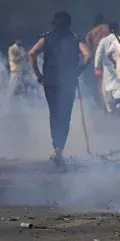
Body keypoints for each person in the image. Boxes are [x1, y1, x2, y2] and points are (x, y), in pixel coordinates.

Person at [28, 11, 91, 166]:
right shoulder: (75, 38)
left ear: (54, 24)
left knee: (54, 114)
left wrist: (38, 75)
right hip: (68, 81)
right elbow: (88, 55)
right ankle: (59, 151)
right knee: (64, 116)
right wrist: (80, 69)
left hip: (49, 80)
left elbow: (31, 53)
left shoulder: (46, 37)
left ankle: (57, 149)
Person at [94, 22, 120, 114]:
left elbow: (98, 54)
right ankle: (119, 107)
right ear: (118, 29)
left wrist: (97, 67)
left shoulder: (104, 41)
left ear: (108, 29)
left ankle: (110, 109)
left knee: (106, 89)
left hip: (107, 69)